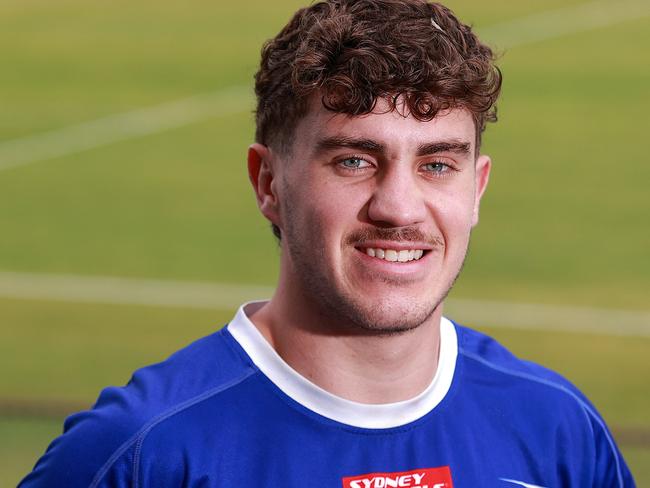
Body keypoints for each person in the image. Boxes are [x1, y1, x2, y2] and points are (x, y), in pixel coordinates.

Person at [20, 1, 635, 486]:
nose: (398, 207)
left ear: (476, 190)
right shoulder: (142, 454)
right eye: (354, 161)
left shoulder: (557, 428)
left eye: (437, 165)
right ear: (268, 182)